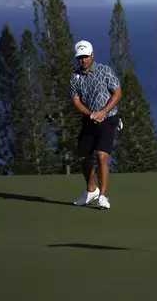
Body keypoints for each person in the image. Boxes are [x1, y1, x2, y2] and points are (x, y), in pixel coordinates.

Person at [69, 40, 122, 209]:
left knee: (101, 155)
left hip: (109, 118)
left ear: (92, 55)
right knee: (83, 156)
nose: (83, 60)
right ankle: (91, 190)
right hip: (90, 120)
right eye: (80, 57)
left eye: (85, 56)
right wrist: (90, 114)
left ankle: (103, 196)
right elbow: (76, 101)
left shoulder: (105, 71)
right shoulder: (75, 77)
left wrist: (103, 112)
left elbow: (117, 92)